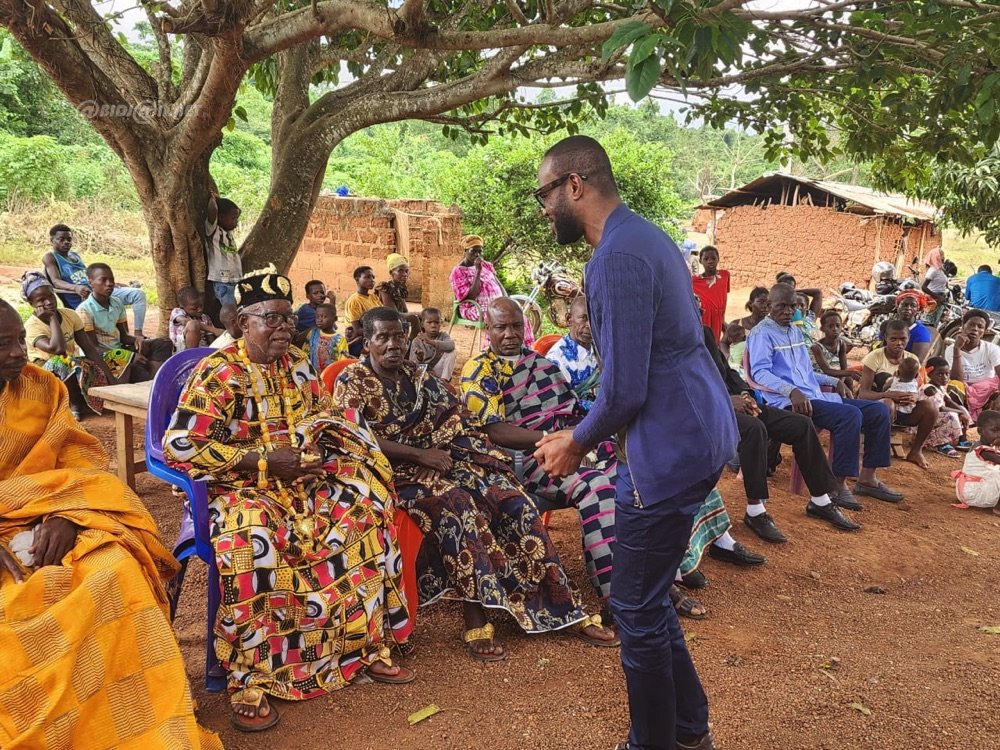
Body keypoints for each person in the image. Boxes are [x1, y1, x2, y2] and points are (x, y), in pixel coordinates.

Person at [531, 135, 737, 750]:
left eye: (545, 194)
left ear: (574, 186)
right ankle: (689, 730)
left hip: (667, 448)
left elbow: (623, 391)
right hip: (699, 429)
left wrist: (574, 441)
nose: (543, 209)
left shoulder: (615, 259)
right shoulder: (645, 236)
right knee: (648, 597)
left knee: (635, 608)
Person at [163, 269, 413, 732]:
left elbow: (323, 417)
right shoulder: (219, 373)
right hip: (242, 488)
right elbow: (181, 444)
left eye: (286, 320)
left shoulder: (298, 364)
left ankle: (360, 648)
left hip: (303, 482)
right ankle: (252, 675)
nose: (283, 329)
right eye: (271, 320)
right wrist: (263, 462)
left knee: (366, 513)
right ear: (242, 322)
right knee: (254, 536)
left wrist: (318, 448)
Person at [334, 307, 617, 663]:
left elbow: (456, 418)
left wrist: (441, 455)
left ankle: (560, 603)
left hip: (440, 460)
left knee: (510, 497)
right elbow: (357, 436)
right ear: (367, 342)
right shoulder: (352, 381)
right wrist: (421, 457)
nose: (392, 344)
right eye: (382, 337)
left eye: (398, 336)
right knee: (457, 506)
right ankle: (475, 613)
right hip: (390, 474)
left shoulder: (418, 376)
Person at [0, 300, 221, 749]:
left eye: (19, 340)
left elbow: (80, 454)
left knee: (115, 571)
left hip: (54, 509)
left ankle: (143, 720)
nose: (19, 353)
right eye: (4, 344)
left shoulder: (42, 387)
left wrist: (66, 514)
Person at [748, 282, 904, 506]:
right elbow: (759, 373)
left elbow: (805, 372)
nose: (788, 311)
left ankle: (868, 479)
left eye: (792, 307)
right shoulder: (761, 333)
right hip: (787, 402)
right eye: (781, 306)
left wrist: (834, 381)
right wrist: (791, 390)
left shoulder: (794, 330)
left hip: (814, 396)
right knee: (849, 416)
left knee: (878, 411)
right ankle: (836, 486)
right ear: (769, 305)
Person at [702, 320, 857, 541]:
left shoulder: (704, 332)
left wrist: (744, 393)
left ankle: (820, 500)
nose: (697, 306)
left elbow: (727, 372)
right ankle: (756, 511)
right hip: (706, 408)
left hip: (735, 402)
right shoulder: (668, 338)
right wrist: (726, 400)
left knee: (801, 425)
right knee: (754, 429)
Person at [21, 271, 120, 419]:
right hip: (43, 370)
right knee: (60, 361)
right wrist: (52, 318)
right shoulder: (32, 326)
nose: (48, 302)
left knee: (116, 356)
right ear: (31, 304)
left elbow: (89, 349)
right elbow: (57, 349)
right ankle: (74, 404)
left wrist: (111, 379)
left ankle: (108, 396)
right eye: (41, 300)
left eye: (50, 296)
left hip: (71, 364)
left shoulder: (70, 315)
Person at [857, 320, 941, 468]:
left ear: (908, 339)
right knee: (887, 404)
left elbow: (919, 388)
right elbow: (863, 394)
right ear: (885, 339)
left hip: (906, 410)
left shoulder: (912, 360)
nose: (898, 343)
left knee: (930, 407)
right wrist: (888, 395)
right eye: (893, 339)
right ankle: (878, 453)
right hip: (877, 409)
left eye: (903, 339)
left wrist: (916, 397)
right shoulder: (874, 357)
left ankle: (916, 451)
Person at [41, 223, 149, 338]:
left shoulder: (75, 255)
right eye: (61, 239)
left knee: (138, 294)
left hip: (97, 289)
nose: (66, 242)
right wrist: (75, 287)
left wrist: (108, 283)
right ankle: (125, 338)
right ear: (52, 240)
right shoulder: (50, 257)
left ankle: (138, 333)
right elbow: (56, 281)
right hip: (85, 296)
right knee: (131, 297)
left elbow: (89, 275)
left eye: (69, 239)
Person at [77, 263, 173, 382]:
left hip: (120, 351)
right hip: (102, 357)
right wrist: (128, 356)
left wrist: (137, 340)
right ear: (91, 283)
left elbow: (123, 336)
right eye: (103, 280)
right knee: (140, 372)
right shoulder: (84, 310)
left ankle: (152, 382)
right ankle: (148, 379)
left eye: (111, 279)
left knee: (163, 343)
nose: (109, 284)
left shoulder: (116, 303)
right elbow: (93, 349)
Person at [449, 234, 535, 347]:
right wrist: (478, 271)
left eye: (480, 251)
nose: (477, 255)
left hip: (496, 305)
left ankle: (524, 349)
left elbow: (498, 284)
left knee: (519, 317)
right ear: (465, 251)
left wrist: (506, 301)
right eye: (473, 251)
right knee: (497, 319)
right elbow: (469, 297)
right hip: (474, 307)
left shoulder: (486, 265)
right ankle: (496, 351)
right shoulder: (458, 271)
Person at [944, 309, 1000, 421]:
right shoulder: (951, 349)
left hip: (987, 391)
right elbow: (957, 380)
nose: (975, 329)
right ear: (963, 326)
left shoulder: (991, 349)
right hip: (963, 391)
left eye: (980, 327)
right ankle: (960, 424)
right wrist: (957, 349)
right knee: (953, 388)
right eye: (971, 324)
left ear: (984, 331)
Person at [546, 295, 600, 410]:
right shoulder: (557, 360)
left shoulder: (601, 350)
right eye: (584, 318)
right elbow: (561, 406)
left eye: (594, 319)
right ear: (569, 319)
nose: (590, 325)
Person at [952, 409, 1000, 514]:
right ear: (980, 431)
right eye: (994, 430)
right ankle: (998, 508)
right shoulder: (983, 450)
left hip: (967, 490)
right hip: (973, 494)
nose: (998, 435)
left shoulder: (983, 445)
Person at [923, 356, 971, 455]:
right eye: (940, 374)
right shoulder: (929, 389)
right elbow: (940, 408)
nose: (945, 377)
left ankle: (962, 440)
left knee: (962, 409)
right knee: (952, 415)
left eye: (947, 374)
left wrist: (962, 411)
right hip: (925, 421)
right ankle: (941, 444)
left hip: (937, 418)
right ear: (929, 374)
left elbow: (948, 401)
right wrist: (959, 412)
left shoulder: (940, 387)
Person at [205, 195, 243, 306]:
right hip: (223, 281)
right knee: (229, 307)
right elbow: (212, 212)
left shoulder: (229, 234)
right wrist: (212, 199)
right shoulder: (213, 230)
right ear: (220, 217)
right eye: (233, 218)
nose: (236, 222)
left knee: (238, 307)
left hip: (236, 279)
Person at [375, 254, 421, 339]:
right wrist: (415, 314)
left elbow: (405, 310)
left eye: (406, 271)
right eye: (400, 271)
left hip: (398, 321)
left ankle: (416, 344)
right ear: (391, 272)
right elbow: (393, 314)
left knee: (424, 318)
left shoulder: (400, 288)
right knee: (414, 318)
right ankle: (411, 345)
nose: (405, 274)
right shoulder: (385, 289)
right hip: (385, 323)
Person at [691, 245, 729, 341]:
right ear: (700, 261)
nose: (710, 261)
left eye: (713, 258)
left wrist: (722, 319)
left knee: (715, 344)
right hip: (704, 317)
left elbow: (723, 298)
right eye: (706, 259)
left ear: (718, 259)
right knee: (703, 342)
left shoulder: (725, 275)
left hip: (718, 317)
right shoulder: (694, 280)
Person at [811, 310, 860, 384]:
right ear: (822, 329)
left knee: (848, 380)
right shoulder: (817, 347)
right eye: (830, 326)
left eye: (838, 325)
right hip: (818, 375)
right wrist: (848, 374)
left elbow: (844, 368)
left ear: (841, 327)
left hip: (832, 373)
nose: (835, 329)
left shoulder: (841, 344)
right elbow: (827, 371)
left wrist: (841, 381)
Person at [408, 307, 457, 380]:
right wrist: (419, 358)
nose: (433, 326)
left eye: (436, 322)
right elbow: (412, 364)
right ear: (422, 324)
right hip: (423, 372)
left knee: (452, 352)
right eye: (429, 322)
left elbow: (451, 346)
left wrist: (431, 342)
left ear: (440, 324)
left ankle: (444, 381)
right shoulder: (417, 341)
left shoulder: (443, 336)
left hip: (438, 370)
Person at [169, 286, 222, 352]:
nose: (200, 310)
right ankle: (191, 355)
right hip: (182, 350)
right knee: (193, 324)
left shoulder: (205, 317)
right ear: (182, 306)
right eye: (194, 308)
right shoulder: (177, 312)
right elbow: (187, 322)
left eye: (201, 305)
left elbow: (210, 339)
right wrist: (214, 330)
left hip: (202, 350)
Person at [302, 302, 348, 373]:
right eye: (317, 316)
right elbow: (304, 352)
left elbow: (342, 361)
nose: (319, 319)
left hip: (330, 375)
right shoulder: (312, 333)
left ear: (335, 319)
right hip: (312, 374)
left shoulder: (339, 339)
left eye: (324, 317)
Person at [345, 265, 380, 355]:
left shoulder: (373, 297)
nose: (372, 280)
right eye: (367, 277)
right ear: (357, 279)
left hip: (374, 334)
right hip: (359, 340)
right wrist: (380, 331)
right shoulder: (354, 301)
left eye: (373, 277)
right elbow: (357, 330)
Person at [894, 291, 933, 363]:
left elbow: (917, 362)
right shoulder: (890, 326)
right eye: (904, 305)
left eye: (913, 306)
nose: (908, 308)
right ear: (897, 306)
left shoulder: (921, 332)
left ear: (918, 310)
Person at [921, 247, 950, 326]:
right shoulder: (933, 270)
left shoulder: (940, 270)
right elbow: (924, 287)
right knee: (928, 323)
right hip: (932, 300)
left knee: (934, 323)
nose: (943, 258)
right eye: (941, 256)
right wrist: (937, 296)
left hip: (939, 300)